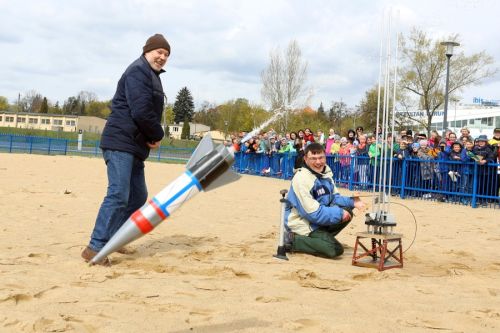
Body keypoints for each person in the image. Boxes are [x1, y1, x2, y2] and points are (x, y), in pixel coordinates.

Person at [81, 34, 171, 266]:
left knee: (138, 196)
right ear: (146, 51)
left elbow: (145, 111)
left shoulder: (151, 75)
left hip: (134, 146)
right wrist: (157, 134)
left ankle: (114, 239)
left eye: (166, 54)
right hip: (120, 142)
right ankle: (96, 247)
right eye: (158, 52)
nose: (162, 57)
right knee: (119, 194)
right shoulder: (138, 72)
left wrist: (149, 136)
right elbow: (141, 110)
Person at [284, 143, 366, 258]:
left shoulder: (325, 173)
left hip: (315, 219)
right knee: (334, 249)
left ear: (325, 157)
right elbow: (312, 213)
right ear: (305, 159)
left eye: (321, 157)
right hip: (301, 222)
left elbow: (334, 198)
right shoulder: (301, 178)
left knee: (348, 211)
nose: (318, 162)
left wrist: (353, 202)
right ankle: (292, 240)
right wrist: (339, 213)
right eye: (313, 158)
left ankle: (321, 239)